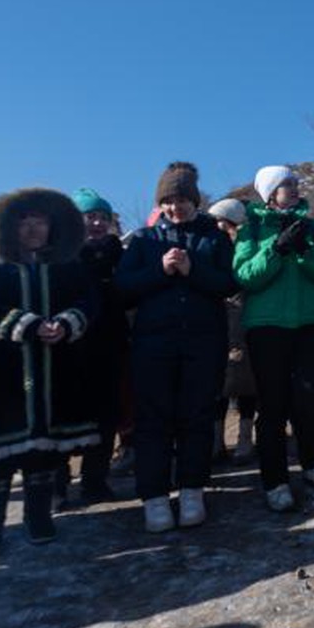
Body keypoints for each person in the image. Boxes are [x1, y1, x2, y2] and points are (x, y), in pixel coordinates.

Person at [0, 188, 100, 557]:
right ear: (6, 225)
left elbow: (89, 299)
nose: (33, 227)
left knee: (43, 452)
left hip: (52, 371)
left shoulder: (67, 266)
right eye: (24, 219)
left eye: (41, 219)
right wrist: (26, 324)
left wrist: (69, 321)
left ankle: (38, 516)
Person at [116, 162, 237, 532]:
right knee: (153, 421)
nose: (175, 207)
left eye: (182, 199)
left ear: (194, 200)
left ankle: (191, 491)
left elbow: (228, 284)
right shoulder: (144, 241)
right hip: (153, 347)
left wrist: (192, 270)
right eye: (168, 200)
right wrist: (160, 271)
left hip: (203, 344)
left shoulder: (213, 238)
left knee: (197, 417)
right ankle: (153, 497)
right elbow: (122, 290)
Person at [233, 165, 314, 511]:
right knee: (273, 403)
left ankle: (311, 464)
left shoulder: (313, 226)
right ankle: (275, 480)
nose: (294, 189)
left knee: (308, 399)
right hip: (267, 325)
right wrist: (276, 250)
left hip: (310, 322)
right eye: (286, 185)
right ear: (269, 193)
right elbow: (245, 275)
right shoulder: (251, 228)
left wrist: (303, 251)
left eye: (294, 184)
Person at [65, 187, 129, 505]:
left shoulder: (120, 254)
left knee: (106, 415)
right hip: (69, 346)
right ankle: (58, 483)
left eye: (103, 217)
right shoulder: (60, 257)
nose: (98, 223)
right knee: (66, 416)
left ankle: (95, 480)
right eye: (91, 217)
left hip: (111, 344)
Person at [210, 197, 258, 463]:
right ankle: (216, 440)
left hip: (244, 316)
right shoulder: (209, 246)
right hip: (216, 319)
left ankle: (244, 437)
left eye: (225, 222)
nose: (220, 227)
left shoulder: (247, 244)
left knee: (245, 381)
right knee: (217, 382)